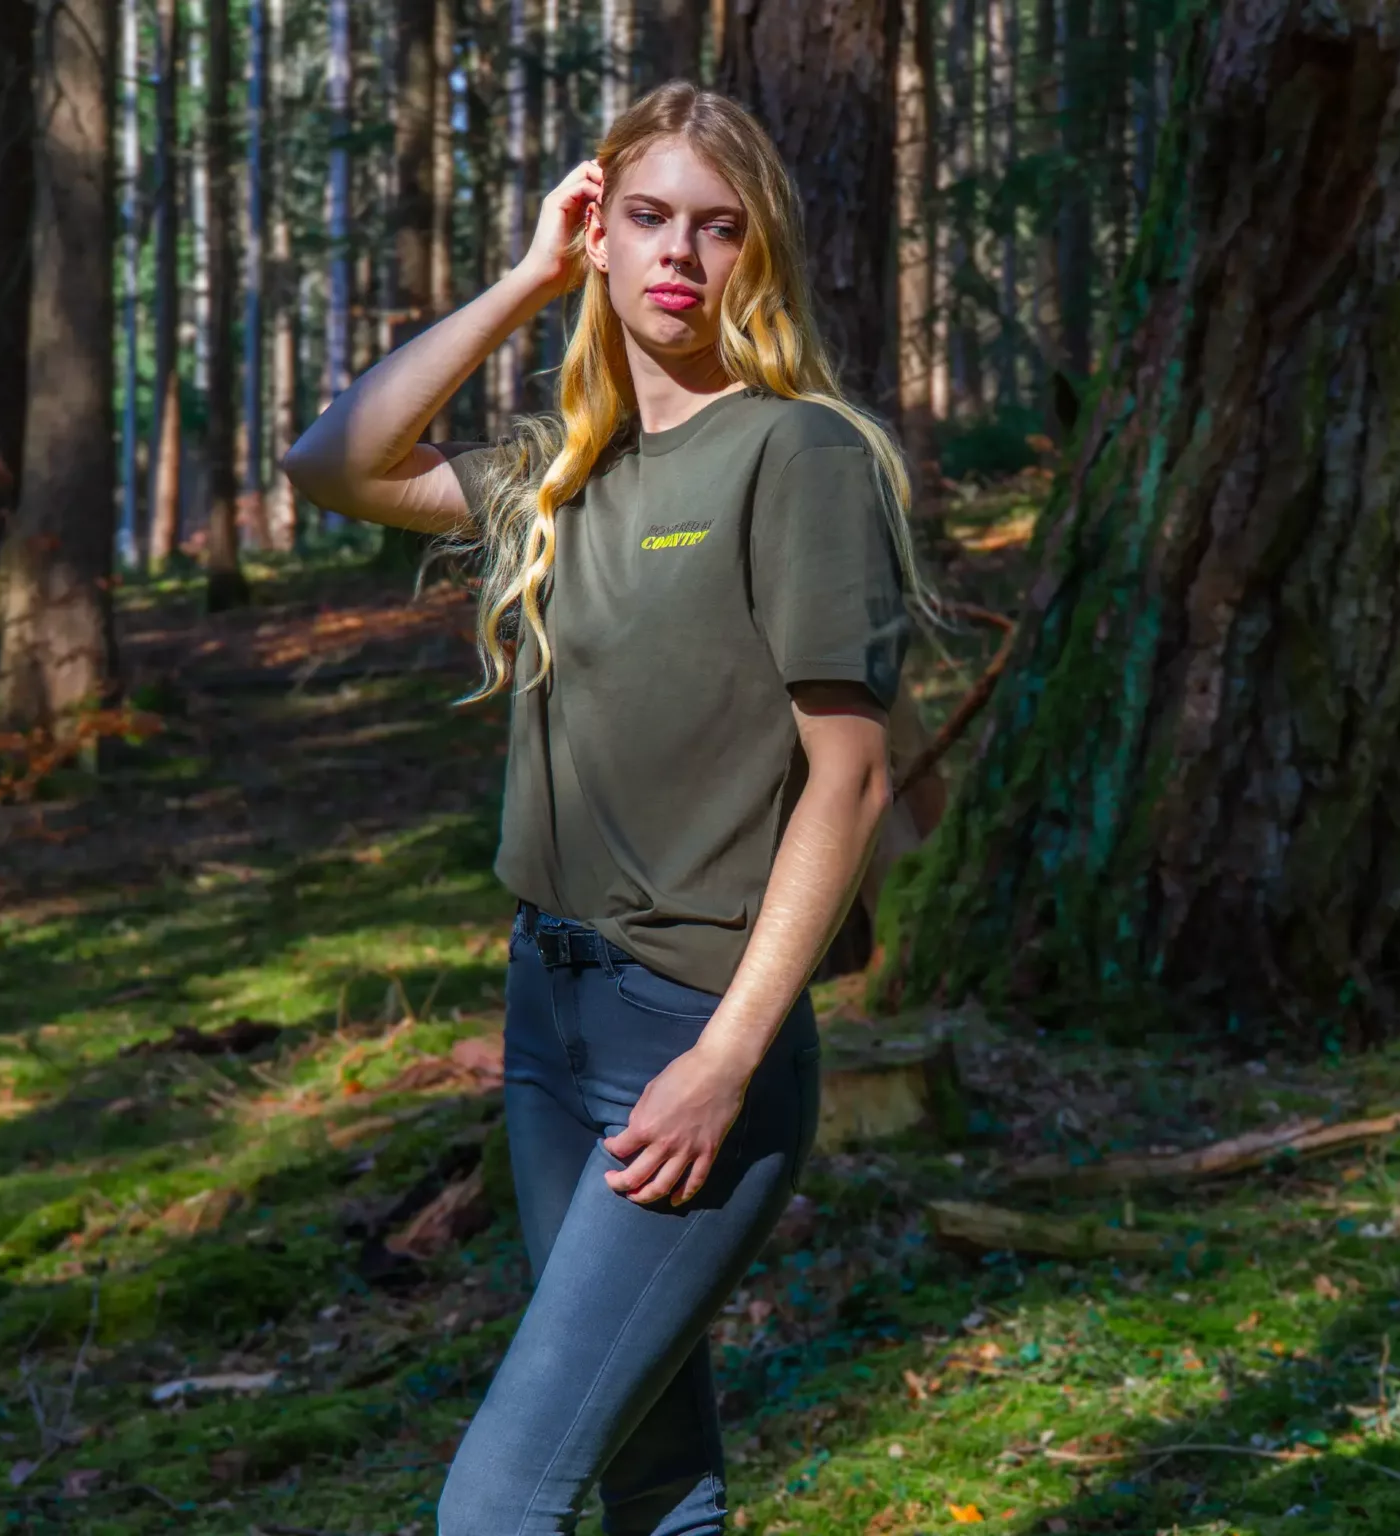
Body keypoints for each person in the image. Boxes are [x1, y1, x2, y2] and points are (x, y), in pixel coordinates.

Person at [283, 79, 943, 1536]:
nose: (679, 259)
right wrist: (528, 275)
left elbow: (855, 773)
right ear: (601, 232)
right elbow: (333, 462)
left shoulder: (799, 453)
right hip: (551, 1021)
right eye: (646, 219)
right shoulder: (564, 470)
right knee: (655, 1473)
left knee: (500, 1503)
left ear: (757, 252)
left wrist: (726, 1058)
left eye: (719, 229)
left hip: (695, 1038)